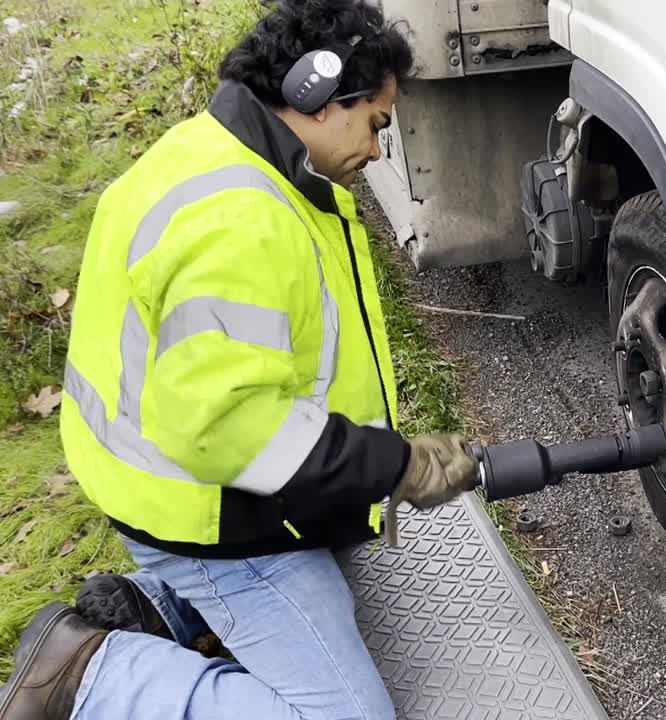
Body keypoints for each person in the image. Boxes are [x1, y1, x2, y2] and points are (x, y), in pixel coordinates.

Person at [0, 1, 479, 718]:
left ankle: (161, 610)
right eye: (377, 124)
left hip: (181, 482)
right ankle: (95, 675)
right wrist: (394, 464)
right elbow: (226, 425)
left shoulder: (210, 150)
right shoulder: (239, 216)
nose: (379, 151)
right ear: (316, 94)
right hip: (205, 513)